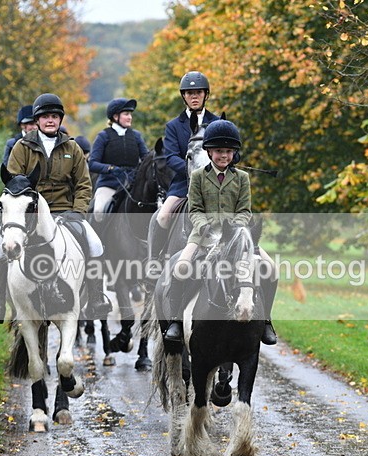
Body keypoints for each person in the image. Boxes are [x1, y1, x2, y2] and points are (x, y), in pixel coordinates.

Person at [0, 92, 113, 322]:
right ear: (38, 121)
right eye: (45, 117)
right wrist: (23, 212)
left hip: (65, 211)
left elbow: (83, 184)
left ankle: (96, 299)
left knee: (95, 244)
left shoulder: (73, 147)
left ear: (60, 120)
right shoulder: (22, 147)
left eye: (54, 116)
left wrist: (78, 211)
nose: (50, 120)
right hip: (29, 214)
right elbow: (14, 182)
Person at [162, 119, 277, 346]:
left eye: (227, 151)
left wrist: (235, 229)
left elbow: (245, 210)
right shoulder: (198, 177)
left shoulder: (242, 178)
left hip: (236, 237)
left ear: (234, 153)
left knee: (271, 269)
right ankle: (176, 320)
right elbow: (194, 209)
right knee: (181, 267)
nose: (223, 156)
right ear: (209, 152)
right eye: (218, 151)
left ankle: (266, 321)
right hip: (203, 235)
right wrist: (204, 225)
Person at [148, 71, 220, 263]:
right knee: (162, 216)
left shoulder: (218, 122)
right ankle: (155, 261)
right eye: (189, 93)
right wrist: (195, 174)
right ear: (184, 96)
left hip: (217, 184)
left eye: (198, 92)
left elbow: (234, 154)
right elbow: (171, 157)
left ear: (206, 94)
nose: (194, 96)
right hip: (182, 184)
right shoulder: (173, 126)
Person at [87, 98, 149, 222]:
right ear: (115, 117)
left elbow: (146, 159)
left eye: (130, 114)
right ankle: (98, 241)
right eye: (126, 114)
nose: (130, 117)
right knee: (99, 211)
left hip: (132, 185)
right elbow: (92, 163)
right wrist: (110, 169)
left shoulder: (136, 136)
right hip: (109, 185)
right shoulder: (103, 136)